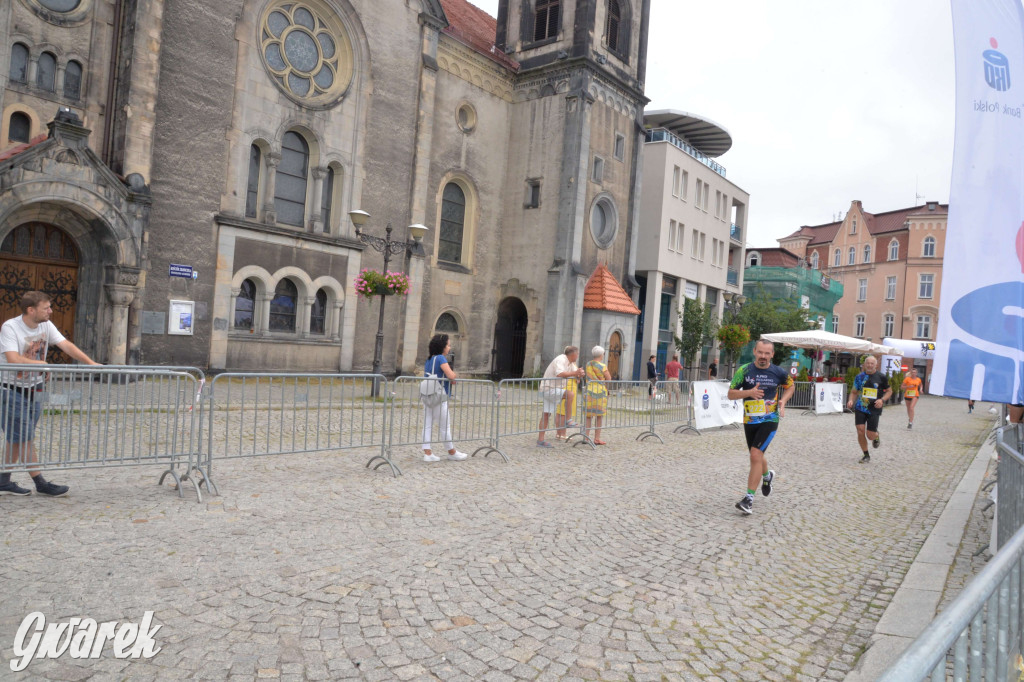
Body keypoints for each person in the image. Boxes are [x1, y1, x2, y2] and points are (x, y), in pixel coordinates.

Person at [0, 291, 100, 497]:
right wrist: (42, 364)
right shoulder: (10, 327)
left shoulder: (46, 325)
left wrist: (91, 363)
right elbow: (12, 358)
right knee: (24, 438)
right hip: (11, 390)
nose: (51, 311)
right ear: (31, 310)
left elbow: (65, 345)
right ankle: (40, 483)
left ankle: (3, 481)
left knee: (16, 437)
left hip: (35, 389)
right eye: (46, 308)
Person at [728, 339, 794, 515]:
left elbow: (791, 386)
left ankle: (748, 499)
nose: (763, 356)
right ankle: (767, 476)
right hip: (750, 420)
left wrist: (783, 401)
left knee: (756, 454)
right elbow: (730, 394)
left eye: (767, 353)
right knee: (756, 454)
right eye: (760, 352)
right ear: (755, 352)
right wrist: (749, 392)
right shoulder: (744, 370)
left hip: (770, 420)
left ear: (772, 354)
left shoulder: (779, 372)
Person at [421, 334, 468, 463]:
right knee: (444, 426)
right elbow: (451, 375)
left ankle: (427, 452)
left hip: (428, 395)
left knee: (427, 424)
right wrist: (454, 375)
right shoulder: (441, 358)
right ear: (442, 346)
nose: (449, 347)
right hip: (439, 396)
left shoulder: (429, 359)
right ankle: (451, 451)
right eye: (448, 345)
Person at [847, 356, 892, 464]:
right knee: (860, 430)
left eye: (872, 363)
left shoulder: (881, 377)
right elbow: (854, 392)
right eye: (868, 363)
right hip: (861, 407)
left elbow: (890, 391)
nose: (870, 365)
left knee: (870, 435)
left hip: (874, 408)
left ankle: (876, 435)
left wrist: (882, 400)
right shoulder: (859, 377)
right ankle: (866, 454)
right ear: (864, 364)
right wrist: (851, 401)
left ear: (876, 365)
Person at [537, 346, 584, 447]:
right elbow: (560, 374)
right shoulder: (561, 359)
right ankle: (568, 420)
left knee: (546, 414)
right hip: (549, 388)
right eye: (578, 354)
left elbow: (575, 374)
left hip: (552, 388)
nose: (578, 356)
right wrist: (575, 373)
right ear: (573, 354)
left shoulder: (570, 363)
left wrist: (579, 373)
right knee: (570, 394)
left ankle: (540, 440)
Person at [584, 346, 612, 445]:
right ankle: (596, 438)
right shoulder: (603, 366)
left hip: (589, 390)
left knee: (589, 416)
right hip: (600, 391)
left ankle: (586, 437)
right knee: (599, 416)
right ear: (601, 355)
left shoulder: (588, 364)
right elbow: (609, 378)